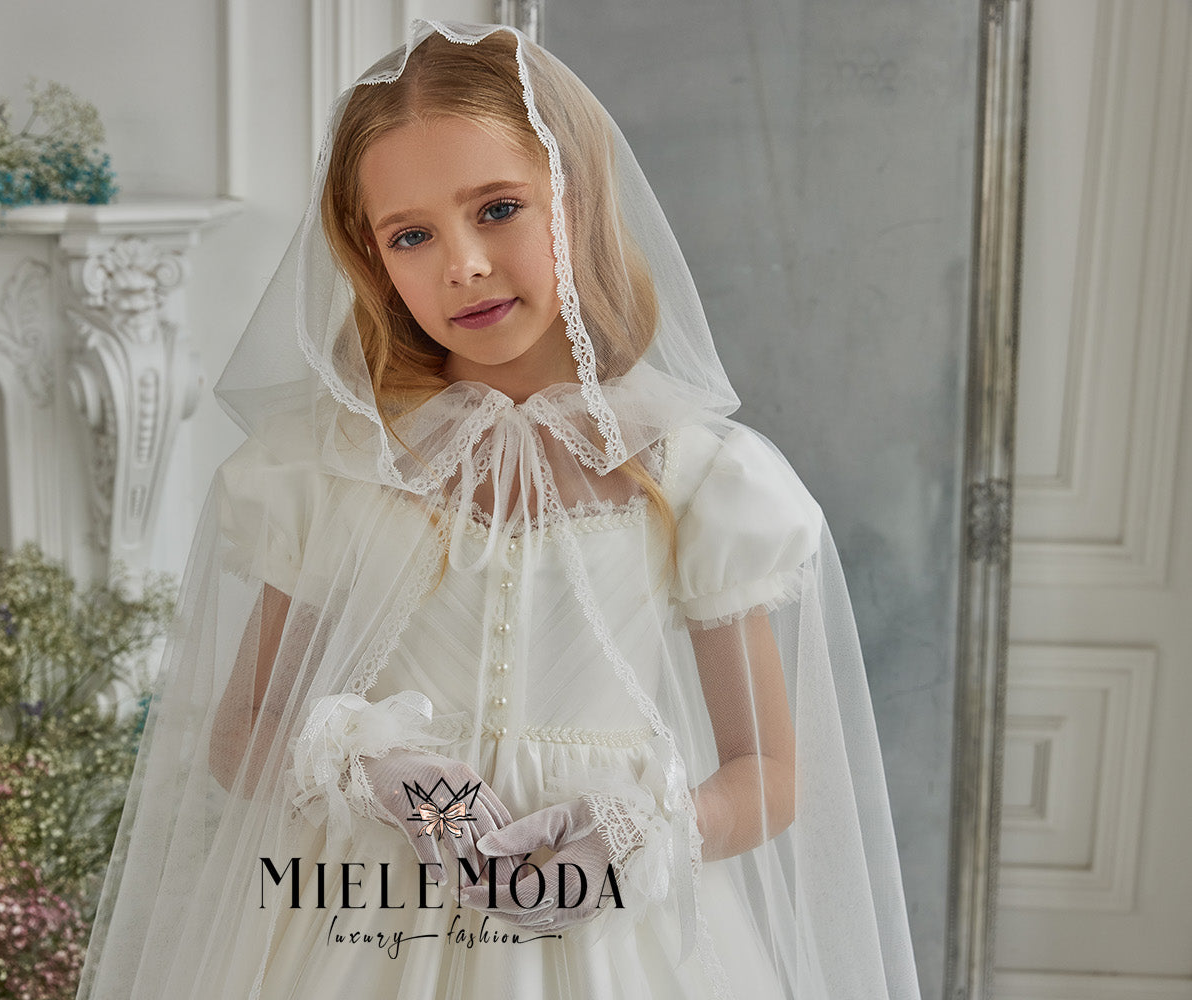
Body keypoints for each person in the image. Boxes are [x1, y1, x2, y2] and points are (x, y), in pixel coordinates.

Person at [77, 20, 922, 1000]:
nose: (463, 264)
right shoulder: (331, 466)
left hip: (614, 941)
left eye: (499, 208)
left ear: (578, 199)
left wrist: (647, 828)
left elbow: (769, 769)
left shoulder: (691, 474)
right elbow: (238, 733)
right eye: (412, 235)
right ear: (370, 256)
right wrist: (369, 767)